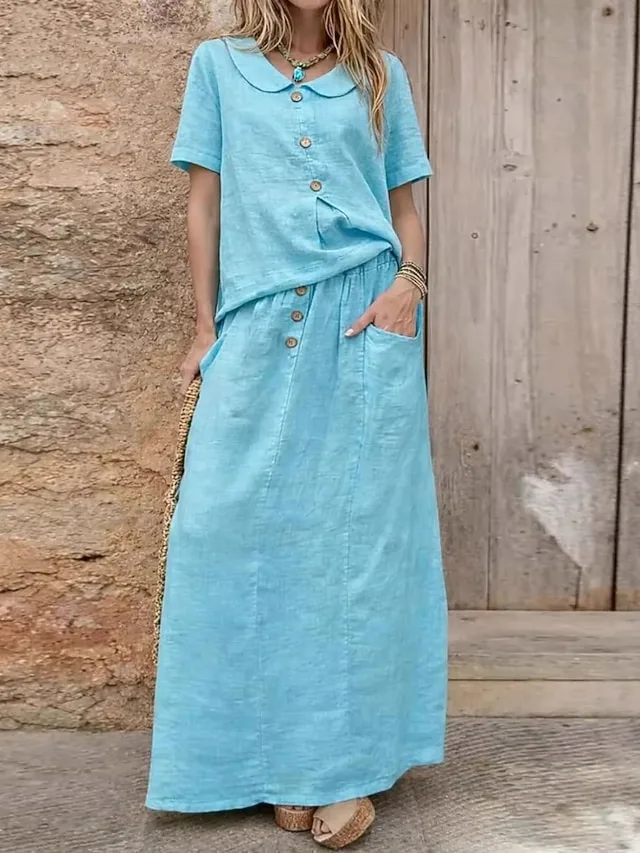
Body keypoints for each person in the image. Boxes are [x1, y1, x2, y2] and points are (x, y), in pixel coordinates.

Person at [145, 0, 447, 847]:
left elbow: (405, 206)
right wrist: (205, 327)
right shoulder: (218, 66)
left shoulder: (382, 76)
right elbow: (204, 201)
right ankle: (264, 758)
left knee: (351, 548)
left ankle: (332, 769)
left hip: (365, 315)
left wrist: (409, 287)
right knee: (222, 530)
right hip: (257, 320)